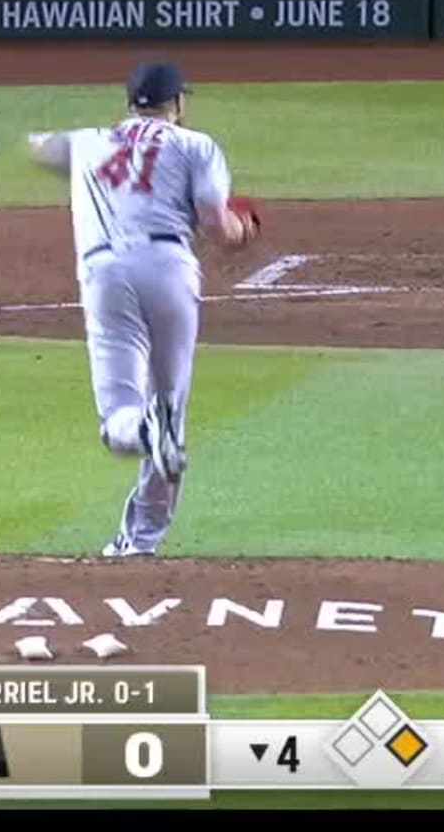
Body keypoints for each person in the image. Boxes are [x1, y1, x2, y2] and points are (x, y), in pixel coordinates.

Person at [25, 61, 260, 558]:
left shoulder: (88, 142)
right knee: (170, 407)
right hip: (170, 269)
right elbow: (218, 229)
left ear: (130, 102)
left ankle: (145, 431)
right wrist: (245, 228)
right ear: (177, 104)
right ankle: (141, 540)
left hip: (105, 275)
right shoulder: (196, 145)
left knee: (119, 422)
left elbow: (38, 147)